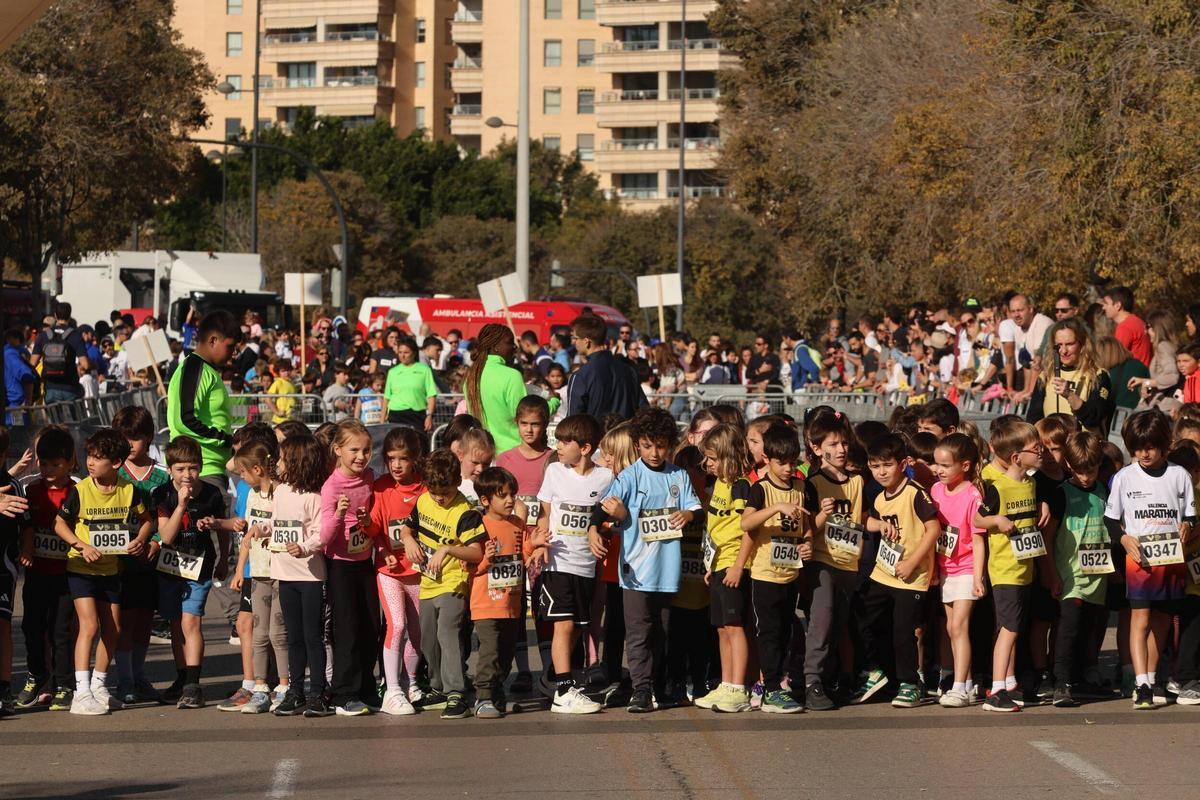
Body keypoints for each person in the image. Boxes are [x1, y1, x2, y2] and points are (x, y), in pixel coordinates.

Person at [589, 406, 701, 713]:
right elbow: (602, 509)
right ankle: (641, 689)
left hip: (667, 570)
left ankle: (661, 685)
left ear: (670, 445)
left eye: (661, 446)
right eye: (648, 445)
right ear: (638, 444)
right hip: (635, 570)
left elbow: (695, 508)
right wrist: (593, 531)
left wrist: (687, 514)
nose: (654, 452)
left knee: (662, 632)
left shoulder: (677, 475)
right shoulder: (628, 476)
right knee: (638, 632)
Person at [54, 428, 154, 715]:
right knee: (90, 625)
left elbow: (146, 521)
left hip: (111, 569)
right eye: (89, 456)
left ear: (117, 463)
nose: (91, 462)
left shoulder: (129, 490)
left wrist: (139, 539)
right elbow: (59, 524)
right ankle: (81, 691)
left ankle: (99, 684)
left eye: (98, 458)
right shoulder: (80, 490)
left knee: (114, 629)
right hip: (81, 567)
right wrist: (81, 544)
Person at [1105, 410, 1194, 709]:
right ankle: (1140, 682)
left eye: (1150, 447)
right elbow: (1110, 519)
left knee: (1163, 621)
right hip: (1140, 561)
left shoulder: (1179, 475)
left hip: (1171, 561)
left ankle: (1153, 677)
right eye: (1137, 447)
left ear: (1165, 444)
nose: (1143, 453)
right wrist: (1124, 538)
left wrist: (1186, 526)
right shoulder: (1124, 478)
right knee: (1139, 619)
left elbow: (1190, 515)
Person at [529, 414, 611, 715]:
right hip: (557, 560)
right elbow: (545, 513)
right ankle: (564, 691)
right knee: (562, 625)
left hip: (586, 565)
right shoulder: (554, 471)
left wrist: (603, 528)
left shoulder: (605, 478)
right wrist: (538, 542)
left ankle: (557, 676)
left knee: (577, 625)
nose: (558, 446)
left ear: (586, 448)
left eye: (566, 441)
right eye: (558, 440)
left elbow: (606, 518)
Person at [397, 449, 486, 720]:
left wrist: (447, 551)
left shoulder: (466, 512)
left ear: (457, 483)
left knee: (448, 635)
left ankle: (456, 692)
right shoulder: (424, 501)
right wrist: (409, 541)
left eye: (445, 493)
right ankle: (437, 686)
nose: (439, 498)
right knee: (428, 638)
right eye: (435, 492)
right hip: (428, 582)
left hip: (453, 582)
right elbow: (407, 528)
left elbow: (476, 552)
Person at [855, 433, 941, 709]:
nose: (881, 472)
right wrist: (878, 526)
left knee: (904, 631)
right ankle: (878, 670)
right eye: (875, 466)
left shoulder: (915, 493)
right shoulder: (880, 498)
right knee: (865, 617)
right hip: (884, 572)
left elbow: (934, 529)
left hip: (912, 578)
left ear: (902, 463)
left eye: (887, 465)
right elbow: (867, 522)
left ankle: (909, 684)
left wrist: (914, 561)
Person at [154, 435, 233, 709]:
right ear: (170, 469)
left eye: (193, 468)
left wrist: (224, 559)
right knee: (176, 625)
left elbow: (223, 530)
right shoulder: (162, 494)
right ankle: (182, 677)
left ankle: (193, 684)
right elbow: (165, 534)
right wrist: (180, 505)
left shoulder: (212, 494)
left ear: (200, 466)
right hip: (169, 567)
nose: (187, 475)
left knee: (191, 622)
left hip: (199, 565)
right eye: (180, 469)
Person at [741, 422, 813, 713]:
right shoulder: (760, 489)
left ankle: (779, 682)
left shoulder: (801, 487)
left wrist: (807, 542)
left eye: (792, 462)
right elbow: (746, 524)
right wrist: (775, 509)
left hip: (790, 572)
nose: (787, 469)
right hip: (764, 573)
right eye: (781, 463)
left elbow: (806, 525)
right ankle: (769, 688)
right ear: (767, 460)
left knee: (786, 630)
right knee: (768, 632)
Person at [976, 417, 1045, 712]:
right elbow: (976, 519)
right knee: (1009, 629)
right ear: (1016, 457)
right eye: (1036, 448)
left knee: (1017, 627)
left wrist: (1044, 507)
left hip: (1025, 568)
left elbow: (1029, 512)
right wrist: (996, 520)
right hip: (1004, 569)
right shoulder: (997, 486)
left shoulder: (1029, 483)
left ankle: (1009, 682)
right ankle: (997, 689)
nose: (1041, 452)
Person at [358, 427, 425, 715]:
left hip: (419, 573)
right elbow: (375, 529)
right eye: (391, 458)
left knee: (417, 631)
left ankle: (412, 683)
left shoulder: (425, 489)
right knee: (396, 625)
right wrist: (366, 523)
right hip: (388, 572)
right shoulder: (382, 487)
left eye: (403, 459)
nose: (396, 465)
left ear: (415, 459)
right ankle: (392, 689)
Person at [804, 411, 866, 710]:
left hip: (849, 562)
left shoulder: (856, 482)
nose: (841, 449)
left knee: (840, 623)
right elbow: (807, 530)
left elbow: (862, 521)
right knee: (822, 619)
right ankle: (811, 680)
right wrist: (822, 515)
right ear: (817, 449)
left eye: (844, 443)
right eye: (833, 444)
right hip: (821, 560)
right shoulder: (812, 483)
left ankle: (834, 678)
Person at [1045, 431, 1111, 707]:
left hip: (1098, 572)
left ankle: (1082, 676)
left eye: (1091, 470)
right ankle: (1060, 681)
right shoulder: (1062, 494)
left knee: (1090, 627)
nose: (1086, 477)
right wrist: (1051, 573)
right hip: (1069, 572)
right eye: (1081, 471)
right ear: (1069, 466)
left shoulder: (1102, 490)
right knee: (1068, 626)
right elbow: (1047, 536)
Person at [225, 439, 290, 715]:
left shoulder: (282, 493)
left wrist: (266, 530)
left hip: (281, 571)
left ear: (258, 469)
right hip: (259, 572)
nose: (240, 477)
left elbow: (286, 528)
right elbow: (248, 538)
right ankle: (260, 687)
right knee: (259, 632)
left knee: (279, 633)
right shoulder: (251, 494)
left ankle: (285, 686)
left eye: (243, 472)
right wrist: (240, 570)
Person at [269, 434, 332, 718]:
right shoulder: (280, 491)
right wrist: (263, 531)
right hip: (284, 573)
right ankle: (296, 691)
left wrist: (304, 546)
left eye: (282, 458)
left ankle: (318, 693)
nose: (277, 463)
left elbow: (321, 534)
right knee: (293, 636)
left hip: (310, 575)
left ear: (296, 462)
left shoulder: (315, 497)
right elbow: (276, 523)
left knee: (312, 636)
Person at [112, 406, 171, 707]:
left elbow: (167, 519)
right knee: (124, 619)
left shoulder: (162, 475)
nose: (128, 444)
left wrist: (156, 544)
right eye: (123, 437)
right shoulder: (112, 473)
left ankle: (138, 674)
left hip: (150, 558)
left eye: (134, 438)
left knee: (145, 620)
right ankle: (123, 680)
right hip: (119, 559)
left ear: (147, 438)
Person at [319, 420, 379, 717]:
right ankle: (344, 693)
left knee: (371, 626)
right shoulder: (331, 486)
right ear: (338, 450)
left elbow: (376, 520)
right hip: (340, 565)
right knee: (347, 630)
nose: (361, 456)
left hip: (365, 562)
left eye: (366, 450)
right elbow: (325, 536)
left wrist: (368, 523)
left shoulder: (369, 477)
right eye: (354, 450)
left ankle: (368, 687)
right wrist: (340, 516)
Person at [692, 425, 753, 713]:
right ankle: (726, 683)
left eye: (713, 458)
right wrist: (711, 563)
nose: (708, 464)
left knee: (735, 625)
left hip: (734, 562)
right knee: (721, 628)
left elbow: (747, 529)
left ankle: (739, 687)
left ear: (728, 455)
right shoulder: (718, 483)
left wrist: (738, 565)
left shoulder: (742, 485)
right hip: (717, 561)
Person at [15, 426, 76, 711]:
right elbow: (26, 524)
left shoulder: (76, 492)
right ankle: (37, 673)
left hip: (66, 574)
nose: (49, 469)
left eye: (56, 464)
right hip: (37, 571)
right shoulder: (31, 490)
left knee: (60, 631)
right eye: (44, 463)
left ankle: (64, 683)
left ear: (70, 462)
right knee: (31, 626)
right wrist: (26, 548)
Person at [930, 434, 986, 708]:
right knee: (950, 629)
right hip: (944, 567)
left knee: (958, 626)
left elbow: (978, 538)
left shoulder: (972, 495)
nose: (939, 470)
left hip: (965, 567)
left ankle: (960, 685)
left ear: (964, 466)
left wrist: (978, 577)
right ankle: (965, 680)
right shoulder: (936, 490)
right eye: (936, 464)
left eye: (945, 465)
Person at [469, 467, 527, 719]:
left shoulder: (517, 524)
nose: (510, 500)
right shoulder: (479, 525)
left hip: (512, 602)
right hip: (485, 602)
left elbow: (522, 551)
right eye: (502, 495)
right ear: (485, 500)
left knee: (506, 652)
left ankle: (497, 691)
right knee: (490, 650)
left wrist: (535, 545)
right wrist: (486, 561)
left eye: (512, 494)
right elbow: (469, 567)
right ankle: (482, 697)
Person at [167, 310, 239, 490]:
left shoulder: (205, 370)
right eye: (230, 346)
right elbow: (185, 419)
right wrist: (224, 439)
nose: (234, 353)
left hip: (208, 469)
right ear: (213, 340)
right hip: (200, 472)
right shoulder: (194, 368)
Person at [1026, 318, 1115, 432]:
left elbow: (1094, 418)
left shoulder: (1098, 375)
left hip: (1084, 447)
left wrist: (1070, 395)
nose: (1063, 351)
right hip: (1052, 447)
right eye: (1059, 345)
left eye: (1069, 344)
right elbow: (1033, 419)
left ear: (1082, 344)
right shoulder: (1046, 376)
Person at [463, 324, 528, 455]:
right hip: (511, 453)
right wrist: (552, 402)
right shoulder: (512, 375)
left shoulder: (471, 375)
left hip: (481, 454)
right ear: (496, 347)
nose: (515, 346)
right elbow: (527, 416)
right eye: (510, 342)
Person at [566, 314, 646, 419]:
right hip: (625, 434)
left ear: (586, 341)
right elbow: (644, 411)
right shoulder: (628, 370)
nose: (574, 342)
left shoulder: (580, 376)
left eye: (575, 338)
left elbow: (573, 422)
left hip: (596, 434)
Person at [31, 301, 90, 404]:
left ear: (55, 315)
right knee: (71, 420)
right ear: (69, 316)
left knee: (54, 419)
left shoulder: (43, 336)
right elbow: (85, 364)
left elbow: (32, 364)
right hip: (70, 389)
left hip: (50, 389)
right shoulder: (75, 336)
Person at [999, 293, 1053, 402]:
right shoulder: (1019, 327)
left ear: (1031, 309)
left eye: (1020, 310)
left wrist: (1031, 394)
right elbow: (1026, 363)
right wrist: (1025, 389)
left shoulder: (1041, 323)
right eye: (1013, 311)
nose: (1016, 315)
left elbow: (1037, 363)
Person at [383, 336, 438, 431]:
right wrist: (382, 418)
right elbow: (387, 397)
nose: (402, 356)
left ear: (414, 353)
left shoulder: (424, 370)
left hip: (417, 415)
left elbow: (431, 395)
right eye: (400, 352)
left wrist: (429, 416)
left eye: (406, 352)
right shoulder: (392, 372)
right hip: (396, 414)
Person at [1102, 286, 1152, 367]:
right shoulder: (1137, 321)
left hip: (1134, 376)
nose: (1103, 307)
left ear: (1117, 305)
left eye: (1106, 304)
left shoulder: (1125, 327)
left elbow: (1114, 359)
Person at [4, 328, 36, 422]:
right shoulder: (15, 353)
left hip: (15, 407)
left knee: (16, 434)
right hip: (13, 406)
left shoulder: (9, 354)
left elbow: (27, 376)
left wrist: (27, 403)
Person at [266, 358, 298, 425]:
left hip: (291, 419)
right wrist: (277, 412)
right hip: (280, 420)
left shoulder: (292, 383)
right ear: (278, 372)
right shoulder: (278, 382)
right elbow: (267, 399)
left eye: (288, 370)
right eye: (283, 371)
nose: (286, 373)